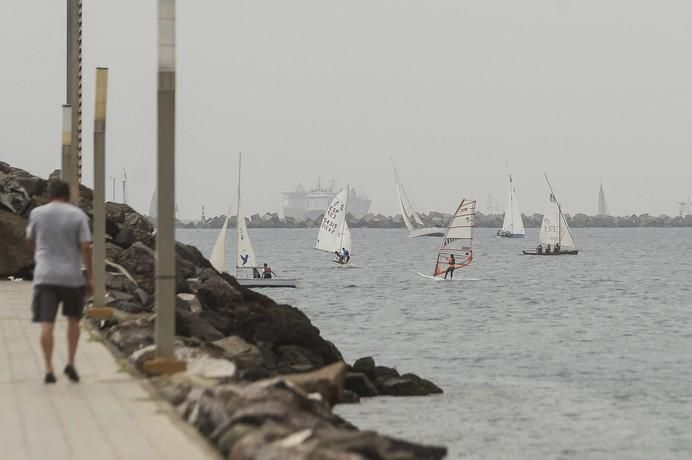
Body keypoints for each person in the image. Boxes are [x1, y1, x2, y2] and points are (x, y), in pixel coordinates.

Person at [26, 180, 92, 384]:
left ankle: (48, 368)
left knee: (47, 324)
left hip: (45, 275)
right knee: (73, 321)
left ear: (49, 194)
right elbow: (85, 247)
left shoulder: (37, 213)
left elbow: (31, 239)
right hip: (71, 277)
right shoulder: (77, 215)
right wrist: (89, 276)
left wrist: (40, 256)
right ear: (68, 195)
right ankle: (71, 363)